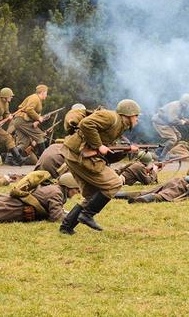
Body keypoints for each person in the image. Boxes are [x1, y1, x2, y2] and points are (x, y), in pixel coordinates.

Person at [59, 99, 141, 235]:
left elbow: (108, 155)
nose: (137, 119)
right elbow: (86, 124)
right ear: (128, 114)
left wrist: (126, 151)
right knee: (115, 182)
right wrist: (99, 145)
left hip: (75, 154)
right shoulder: (111, 117)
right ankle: (87, 215)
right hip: (78, 154)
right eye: (136, 116)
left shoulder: (119, 126)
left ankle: (66, 227)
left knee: (92, 196)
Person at [11, 84, 49, 160]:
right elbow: (29, 109)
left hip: (19, 121)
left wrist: (36, 120)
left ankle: (11, 157)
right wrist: (38, 118)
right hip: (22, 121)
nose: (46, 95)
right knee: (40, 136)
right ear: (42, 92)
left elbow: (29, 111)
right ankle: (44, 160)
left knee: (24, 143)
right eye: (46, 93)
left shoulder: (34, 98)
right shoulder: (35, 98)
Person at [152, 94, 189, 160]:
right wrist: (182, 122)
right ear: (185, 102)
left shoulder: (181, 106)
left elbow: (180, 117)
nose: (188, 105)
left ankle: (160, 150)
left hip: (166, 123)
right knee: (173, 139)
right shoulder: (176, 106)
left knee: (178, 136)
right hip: (160, 122)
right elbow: (172, 120)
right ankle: (162, 156)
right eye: (188, 103)